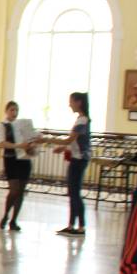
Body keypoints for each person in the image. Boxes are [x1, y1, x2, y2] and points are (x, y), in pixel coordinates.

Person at [46, 92, 91, 236]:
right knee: (73, 193)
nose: (69, 104)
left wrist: (47, 139)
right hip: (77, 158)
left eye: (71, 101)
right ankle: (72, 225)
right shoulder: (81, 119)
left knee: (75, 193)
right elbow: (75, 141)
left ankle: (80, 227)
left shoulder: (82, 120)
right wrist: (64, 148)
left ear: (78, 102)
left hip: (79, 160)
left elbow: (70, 140)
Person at [0, 101, 38, 231]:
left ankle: (14, 220)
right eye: (12, 110)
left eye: (16, 110)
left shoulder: (22, 125)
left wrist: (31, 144)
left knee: (21, 191)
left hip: (24, 160)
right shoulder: (3, 126)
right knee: (14, 189)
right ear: (6, 111)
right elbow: (2, 143)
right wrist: (18, 146)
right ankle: (6, 215)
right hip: (11, 159)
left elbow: (30, 138)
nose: (14, 113)